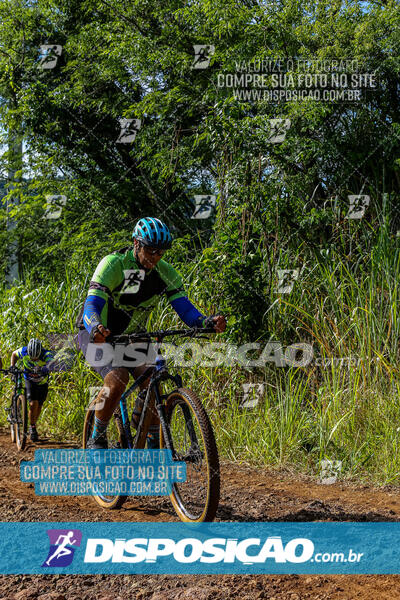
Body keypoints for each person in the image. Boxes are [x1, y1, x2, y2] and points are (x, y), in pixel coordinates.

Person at [77, 216, 226, 449]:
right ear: (136, 244)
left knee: (154, 379)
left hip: (132, 337)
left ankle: (146, 434)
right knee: (118, 381)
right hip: (97, 332)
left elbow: (185, 309)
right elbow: (92, 305)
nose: (155, 257)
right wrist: (95, 326)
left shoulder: (164, 272)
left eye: (161, 252)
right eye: (150, 250)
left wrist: (205, 322)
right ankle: (97, 434)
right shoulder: (114, 264)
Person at [10, 338, 54, 442]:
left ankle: (33, 423)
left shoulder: (46, 354)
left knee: (39, 406)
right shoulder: (24, 351)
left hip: (42, 382)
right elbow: (14, 354)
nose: (33, 360)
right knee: (33, 403)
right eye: (31, 358)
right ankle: (32, 427)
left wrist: (47, 368)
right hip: (29, 379)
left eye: (36, 358)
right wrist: (12, 366)